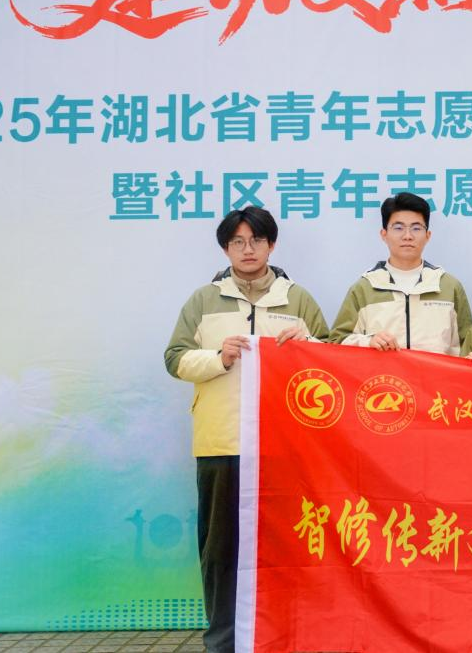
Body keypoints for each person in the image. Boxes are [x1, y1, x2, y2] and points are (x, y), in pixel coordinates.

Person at [163, 206, 330, 653]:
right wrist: (218, 358)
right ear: (225, 249)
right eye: (237, 242)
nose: (248, 249)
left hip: (285, 445)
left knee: (286, 546)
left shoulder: (298, 300)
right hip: (223, 443)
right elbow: (174, 358)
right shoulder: (204, 300)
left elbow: (330, 360)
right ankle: (223, 641)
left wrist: (308, 344)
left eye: (256, 240)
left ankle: (284, 635)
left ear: (271, 245)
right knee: (220, 549)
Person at [331, 191, 472, 354]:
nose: (407, 236)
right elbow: (336, 342)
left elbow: (470, 346)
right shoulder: (364, 288)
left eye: (416, 228)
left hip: (436, 372)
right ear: (384, 234)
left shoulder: (449, 287)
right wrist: (368, 341)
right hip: (383, 372)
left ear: (427, 235)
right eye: (398, 228)